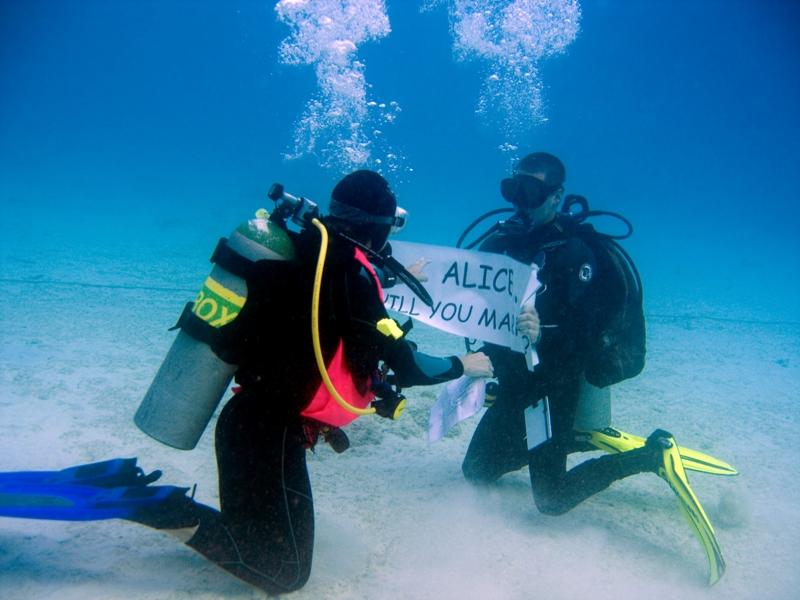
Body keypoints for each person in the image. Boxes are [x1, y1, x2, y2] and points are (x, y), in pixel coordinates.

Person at [132, 170, 494, 594]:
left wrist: (389, 277)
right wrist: (462, 363)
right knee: (284, 572)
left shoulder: (306, 251)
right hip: (269, 435)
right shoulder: (349, 277)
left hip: (247, 423)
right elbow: (410, 366)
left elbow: (333, 295)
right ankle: (151, 506)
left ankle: (152, 503)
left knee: (255, 539)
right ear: (376, 227)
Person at [461, 152, 666, 514]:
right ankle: (565, 441)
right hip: (513, 382)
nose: (521, 201)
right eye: (515, 190)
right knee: (476, 471)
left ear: (556, 196)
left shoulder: (576, 254)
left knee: (551, 499)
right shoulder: (498, 243)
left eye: (532, 191)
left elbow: (589, 334)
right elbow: (466, 298)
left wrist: (544, 333)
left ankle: (651, 456)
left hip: (552, 388)